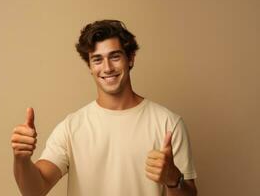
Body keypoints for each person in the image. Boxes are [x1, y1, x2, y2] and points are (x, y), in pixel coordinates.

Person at [11, 20, 197, 196]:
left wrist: (174, 179)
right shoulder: (71, 127)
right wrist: (21, 159)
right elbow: (34, 191)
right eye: (97, 59)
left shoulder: (168, 123)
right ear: (90, 66)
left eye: (115, 56)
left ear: (130, 58)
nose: (107, 68)